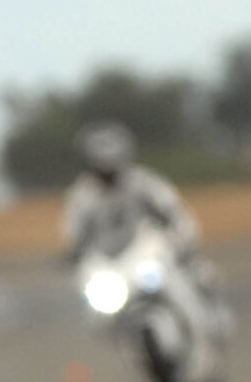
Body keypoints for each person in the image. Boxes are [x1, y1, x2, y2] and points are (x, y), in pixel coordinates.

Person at [61, 122, 212, 289]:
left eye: (112, 167)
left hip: (145, 258)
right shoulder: (82, 196)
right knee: (96, 310)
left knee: (181, 292)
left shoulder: (143, 184)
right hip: (108, 269)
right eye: (101, 169)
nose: (107, 175)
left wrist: (184, 243)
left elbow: (173, 214)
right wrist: (73, 257)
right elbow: (76, 234)